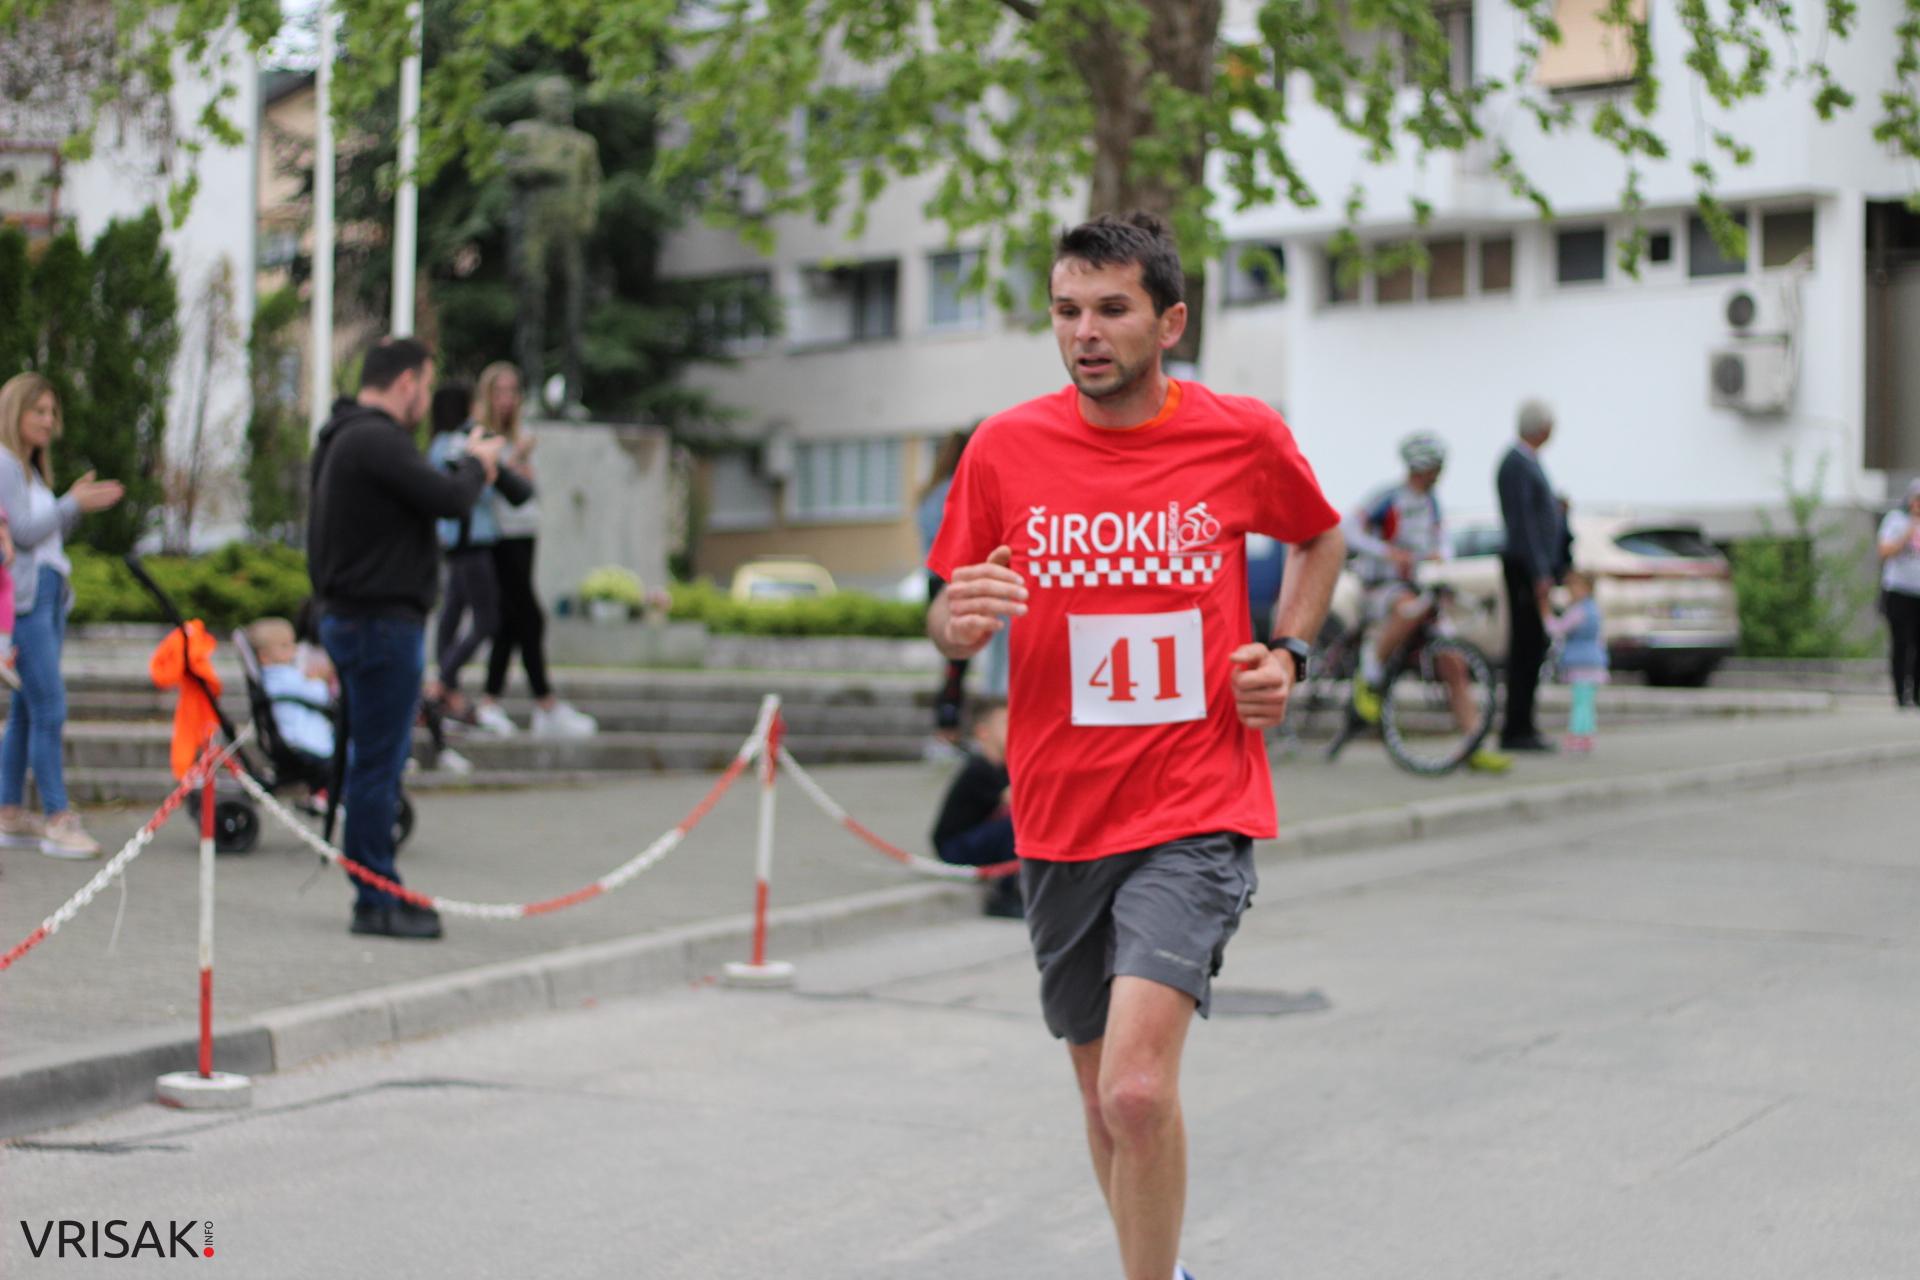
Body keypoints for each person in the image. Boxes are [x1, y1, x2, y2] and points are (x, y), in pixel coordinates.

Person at [927, 212, 1345, 1280]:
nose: (1085, 332)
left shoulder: (1237, 435)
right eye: (1067, 310)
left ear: (1170, 322)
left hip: (1193, 805)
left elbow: (1319, 533)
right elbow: (949, 606)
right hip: (1060, 815)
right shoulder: (1003, 448)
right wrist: (955, 623)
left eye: (1112, 309)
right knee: (1101, 1098)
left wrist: (1288, 652)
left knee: (1137, 1088)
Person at [307, 337, 504, 939]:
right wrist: (478, 465)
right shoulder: (376, 439)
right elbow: (448, 499)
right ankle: (376, 898)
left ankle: (376, 888)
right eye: (426, 383)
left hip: (357, 619)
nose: (426, 398)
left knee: (372, 762)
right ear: (407, 383)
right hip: (379, 624)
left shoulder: (343, 436)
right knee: (378, 766)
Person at [0, 373, 124, 859]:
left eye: (53, 412)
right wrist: (72, 502)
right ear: (16, 411)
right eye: (39, 411)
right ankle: (57, 816)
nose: (49, 421)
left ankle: (10, 811)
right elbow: (22, 533)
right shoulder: (5, 463)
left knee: (27, 711)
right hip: (27, 601)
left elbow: (44, 534)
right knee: (50, 706)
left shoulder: (29, 472)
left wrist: (72, 505)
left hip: (48, 594)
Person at [1343, 431, 1509, 773]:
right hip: (1382, 586)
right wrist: (1389, 553)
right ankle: (1368, 677)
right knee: (1407, 607)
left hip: (1418, 585)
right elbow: (1348, 530)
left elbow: (1442, 540)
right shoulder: (1387, 498)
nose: (1440, 473)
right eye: (1436, 467)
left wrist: (1439, 554)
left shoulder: (1432, 503)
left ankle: (1473, 743)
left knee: (1453, 663)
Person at [472, 361, 597, 738]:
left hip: (525, 531)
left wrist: (523, 462)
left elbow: (529, 490)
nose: (507, 399)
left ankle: (492, 701)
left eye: (513, 391)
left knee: (512, 621)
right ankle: (543, 702)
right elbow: (483, 480)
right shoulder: (482, 435)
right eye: (500, 391)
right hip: (499, 536)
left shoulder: (521, 434)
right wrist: (515, 459)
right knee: (528, 617)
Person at [1495, 399, 1565, 752]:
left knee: (1534, 646)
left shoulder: (1527, 462)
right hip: (1524, 568)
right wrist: (1539, 572)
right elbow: (1524, 524)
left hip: (1531, 566)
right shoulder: (1516, 464)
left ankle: (1524, 724)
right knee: (1525, 647)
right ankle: (1516, 729)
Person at [929, 696, 1021, 918]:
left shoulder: (1003, 768)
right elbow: (1016, 799)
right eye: (1006, 723)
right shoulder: (979, 768)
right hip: (954, 848)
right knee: (1013, 825)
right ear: (983, 732)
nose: (1015, 729)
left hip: (979, 839)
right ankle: (1002, 898)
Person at [246, 616, 336, 762]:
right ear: (264, 656)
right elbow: (321, 696)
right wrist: (318, 680)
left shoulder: (271, 677)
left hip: (290, 740)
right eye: (284, 646)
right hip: (305, 743)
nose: (293, 649)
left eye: (292, 643)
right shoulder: (283, 676)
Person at [1545, 570, 1607, 752]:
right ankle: (1586, 734)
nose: (1570, 591)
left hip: (1580, 663)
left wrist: (1545, 614)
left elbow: (1558, 629)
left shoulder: (1578, 611)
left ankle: (1578, 734)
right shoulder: (1594, 609)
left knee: (1580, 702)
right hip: (1594, 662)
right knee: (1586, 702)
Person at [1879, 478, 1920, 708]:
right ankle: (1900, 693)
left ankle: (1917, 694)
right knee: (1901, 642)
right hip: (1899, 591)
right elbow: (1885, 551)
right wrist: (1909, 530)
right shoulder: (1896, 520)